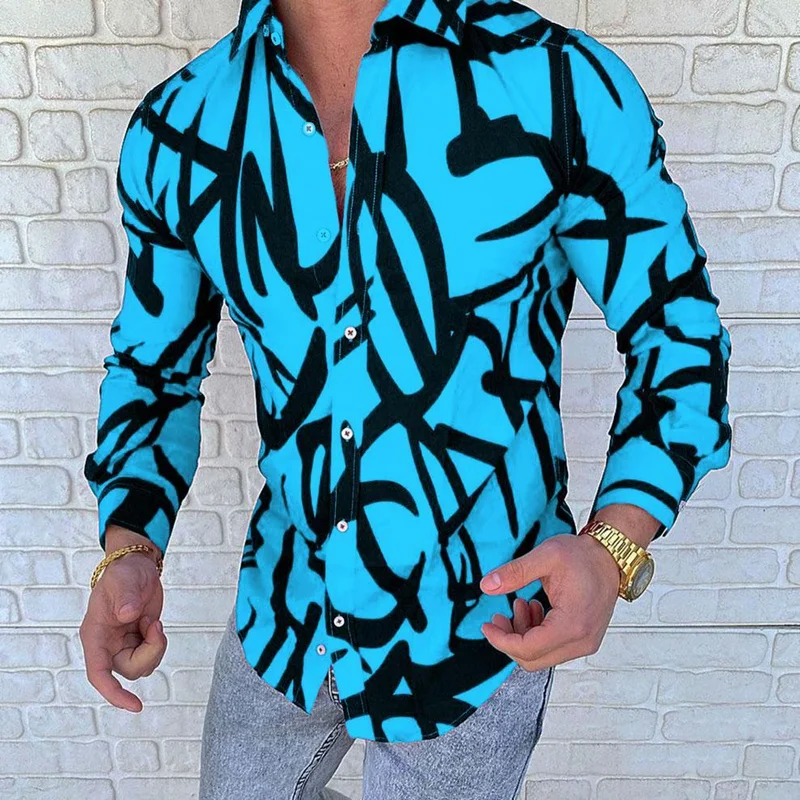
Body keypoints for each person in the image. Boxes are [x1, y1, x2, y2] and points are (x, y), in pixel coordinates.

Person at [79, 0, 732, 797]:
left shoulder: (554, 82)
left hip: (481, 635)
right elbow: (153, 370)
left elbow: (678, 332)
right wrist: (131, 547)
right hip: (285, 613)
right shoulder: (180, 128)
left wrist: (613, 546)